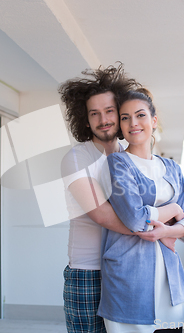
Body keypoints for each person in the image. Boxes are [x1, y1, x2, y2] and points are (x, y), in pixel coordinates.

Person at [59, 64, 161, 333]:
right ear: (85, 118)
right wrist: (158, 228)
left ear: (120, 114)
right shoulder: (77, 158)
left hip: (128, 268)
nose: (103, 119)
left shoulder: (130, 157)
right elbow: (103, 215)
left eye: (109, 111)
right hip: (89, 272)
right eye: (94, 113)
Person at [98, 88, 184, 333]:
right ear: (120, 126)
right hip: (129, 281)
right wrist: (173, 208)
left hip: (169, 281)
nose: (133, 123)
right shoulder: (118, 163)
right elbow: (134, 217)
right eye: (125, 117)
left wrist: (168, 231)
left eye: (140, 115)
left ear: (153, 121)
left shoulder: (172, 168)